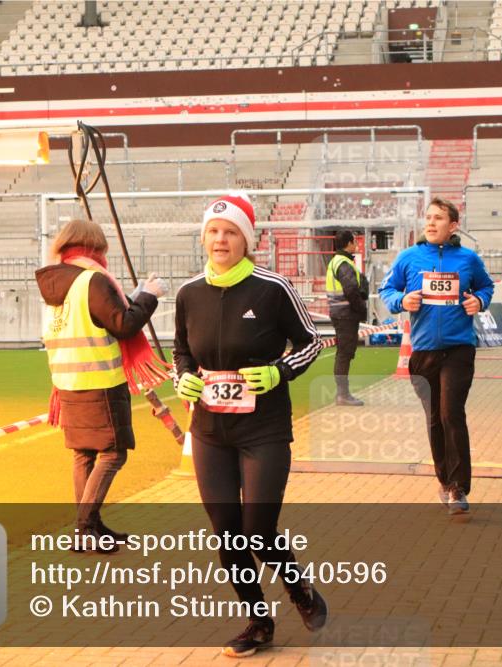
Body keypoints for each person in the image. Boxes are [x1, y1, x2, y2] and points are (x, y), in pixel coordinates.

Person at [173, 192, 327, 658]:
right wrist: (184, 378)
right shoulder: (188, 292)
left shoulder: (273, 288)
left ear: (247, 239)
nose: (221, 239)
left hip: (264, 430)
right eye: (214, 232)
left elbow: (312, 343)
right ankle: (258, 621)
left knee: (258, 528)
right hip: (210, 432)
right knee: (227, 531)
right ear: (204, 238)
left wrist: (279, 371)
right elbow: (181, 349)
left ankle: (299, 591)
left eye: (231, 232)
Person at [36, 219, 169, 554]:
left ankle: (91, 526)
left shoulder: (57, 284)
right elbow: (122, 324)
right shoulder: (91, 280)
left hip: (67, 383)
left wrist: (134, 297)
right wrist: (149, 298)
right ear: (95, 247)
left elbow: (99, 318)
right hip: (101, 382)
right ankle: (84, 527)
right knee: (112, 453)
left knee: (84, 454)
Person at [378, 197, 495, 516]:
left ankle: (458, 488)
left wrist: (479, 302)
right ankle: (444, 480)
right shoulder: (409, 258)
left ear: (453, 225)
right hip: (423, 351)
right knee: (434, 419)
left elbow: (486, 287)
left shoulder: (468, 260)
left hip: (459, 348)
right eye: (427, 218)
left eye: (438, 218)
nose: (430, 223)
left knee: (450, 412)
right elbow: (386, 292)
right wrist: (403, 300)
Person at [326, 229, 368, 406]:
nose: (356, 244)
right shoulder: (343, 263)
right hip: (346, 314)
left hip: (341, 313)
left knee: (344, 353)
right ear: (349, 243)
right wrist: (361, 309)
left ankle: (343, 394)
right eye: (354, 241)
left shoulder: (338, 261)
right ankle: (343, 395)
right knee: (344, 354)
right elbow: (351, 289)